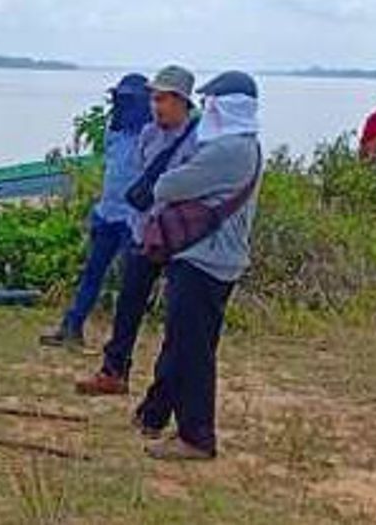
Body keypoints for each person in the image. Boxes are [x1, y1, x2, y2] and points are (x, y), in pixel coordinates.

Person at [137, 71, 262, 460]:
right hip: (211, 258)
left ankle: (196, 436)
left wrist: (170, 180)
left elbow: (167, 187)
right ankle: (154, 413)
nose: (206, 110)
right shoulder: (242, 146)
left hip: (204, 259)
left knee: (192, 350)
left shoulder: (229, 151)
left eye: (212, 104)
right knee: (183, 342)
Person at [76, 65, 198, 396]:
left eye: (163, 99)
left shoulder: (197, 140)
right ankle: (114, 372)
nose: (156, 105)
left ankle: (168, 388)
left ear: (182, 101)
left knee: (178, 315)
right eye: (154, 98)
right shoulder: (148, 134)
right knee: (128, 303)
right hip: (142, 230)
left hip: (178, 236)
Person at [41, 73, 152, 347]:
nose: (124, 105)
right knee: (92, 274)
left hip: (134, 219)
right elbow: (112, 169)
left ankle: (121, 342)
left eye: (130, 100)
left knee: (130, 284)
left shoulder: (153, 134)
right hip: (107, 213)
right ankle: (72, 327)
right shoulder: (113, 130)